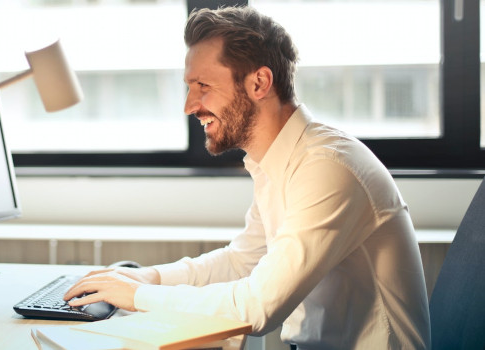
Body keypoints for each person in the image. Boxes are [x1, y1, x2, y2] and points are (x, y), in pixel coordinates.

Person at [64, 6, 431, 349]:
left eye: (203, 86)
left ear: (259, 83)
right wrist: (149, 278)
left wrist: (136, 297)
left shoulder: (327, 168)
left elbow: (257, 308)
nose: (190, 106)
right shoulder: (278, 161)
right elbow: (242, 261)